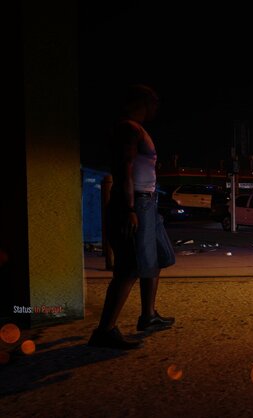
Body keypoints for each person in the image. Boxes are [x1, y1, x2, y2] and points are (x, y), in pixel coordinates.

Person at [89, 84, 176, 350]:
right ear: (143, 101)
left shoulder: (136, 128)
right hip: (136, 202)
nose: (156, 107)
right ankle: (105, 330)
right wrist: (129, 209)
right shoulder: (127, 128)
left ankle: (148, 316)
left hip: (148, 202)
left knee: (159, 256)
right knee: (128, 267)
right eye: (154, 102)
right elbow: (122, 169)